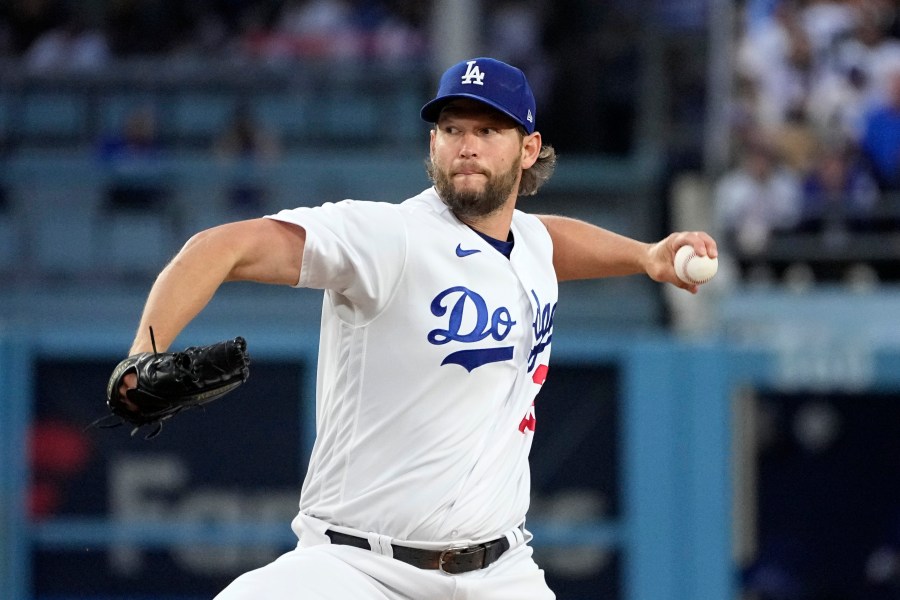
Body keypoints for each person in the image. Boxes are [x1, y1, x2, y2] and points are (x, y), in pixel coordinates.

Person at [113, 57, 717, 599]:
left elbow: (549, 239)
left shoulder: (527, 241)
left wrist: (646, 255)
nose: (467, 145)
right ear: (433, 142)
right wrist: (143, 352)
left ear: (528, 149)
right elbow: (221, 247)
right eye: (452, 128)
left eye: (488, 130)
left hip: (500, 573)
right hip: (354, 569)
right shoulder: (389, 237)